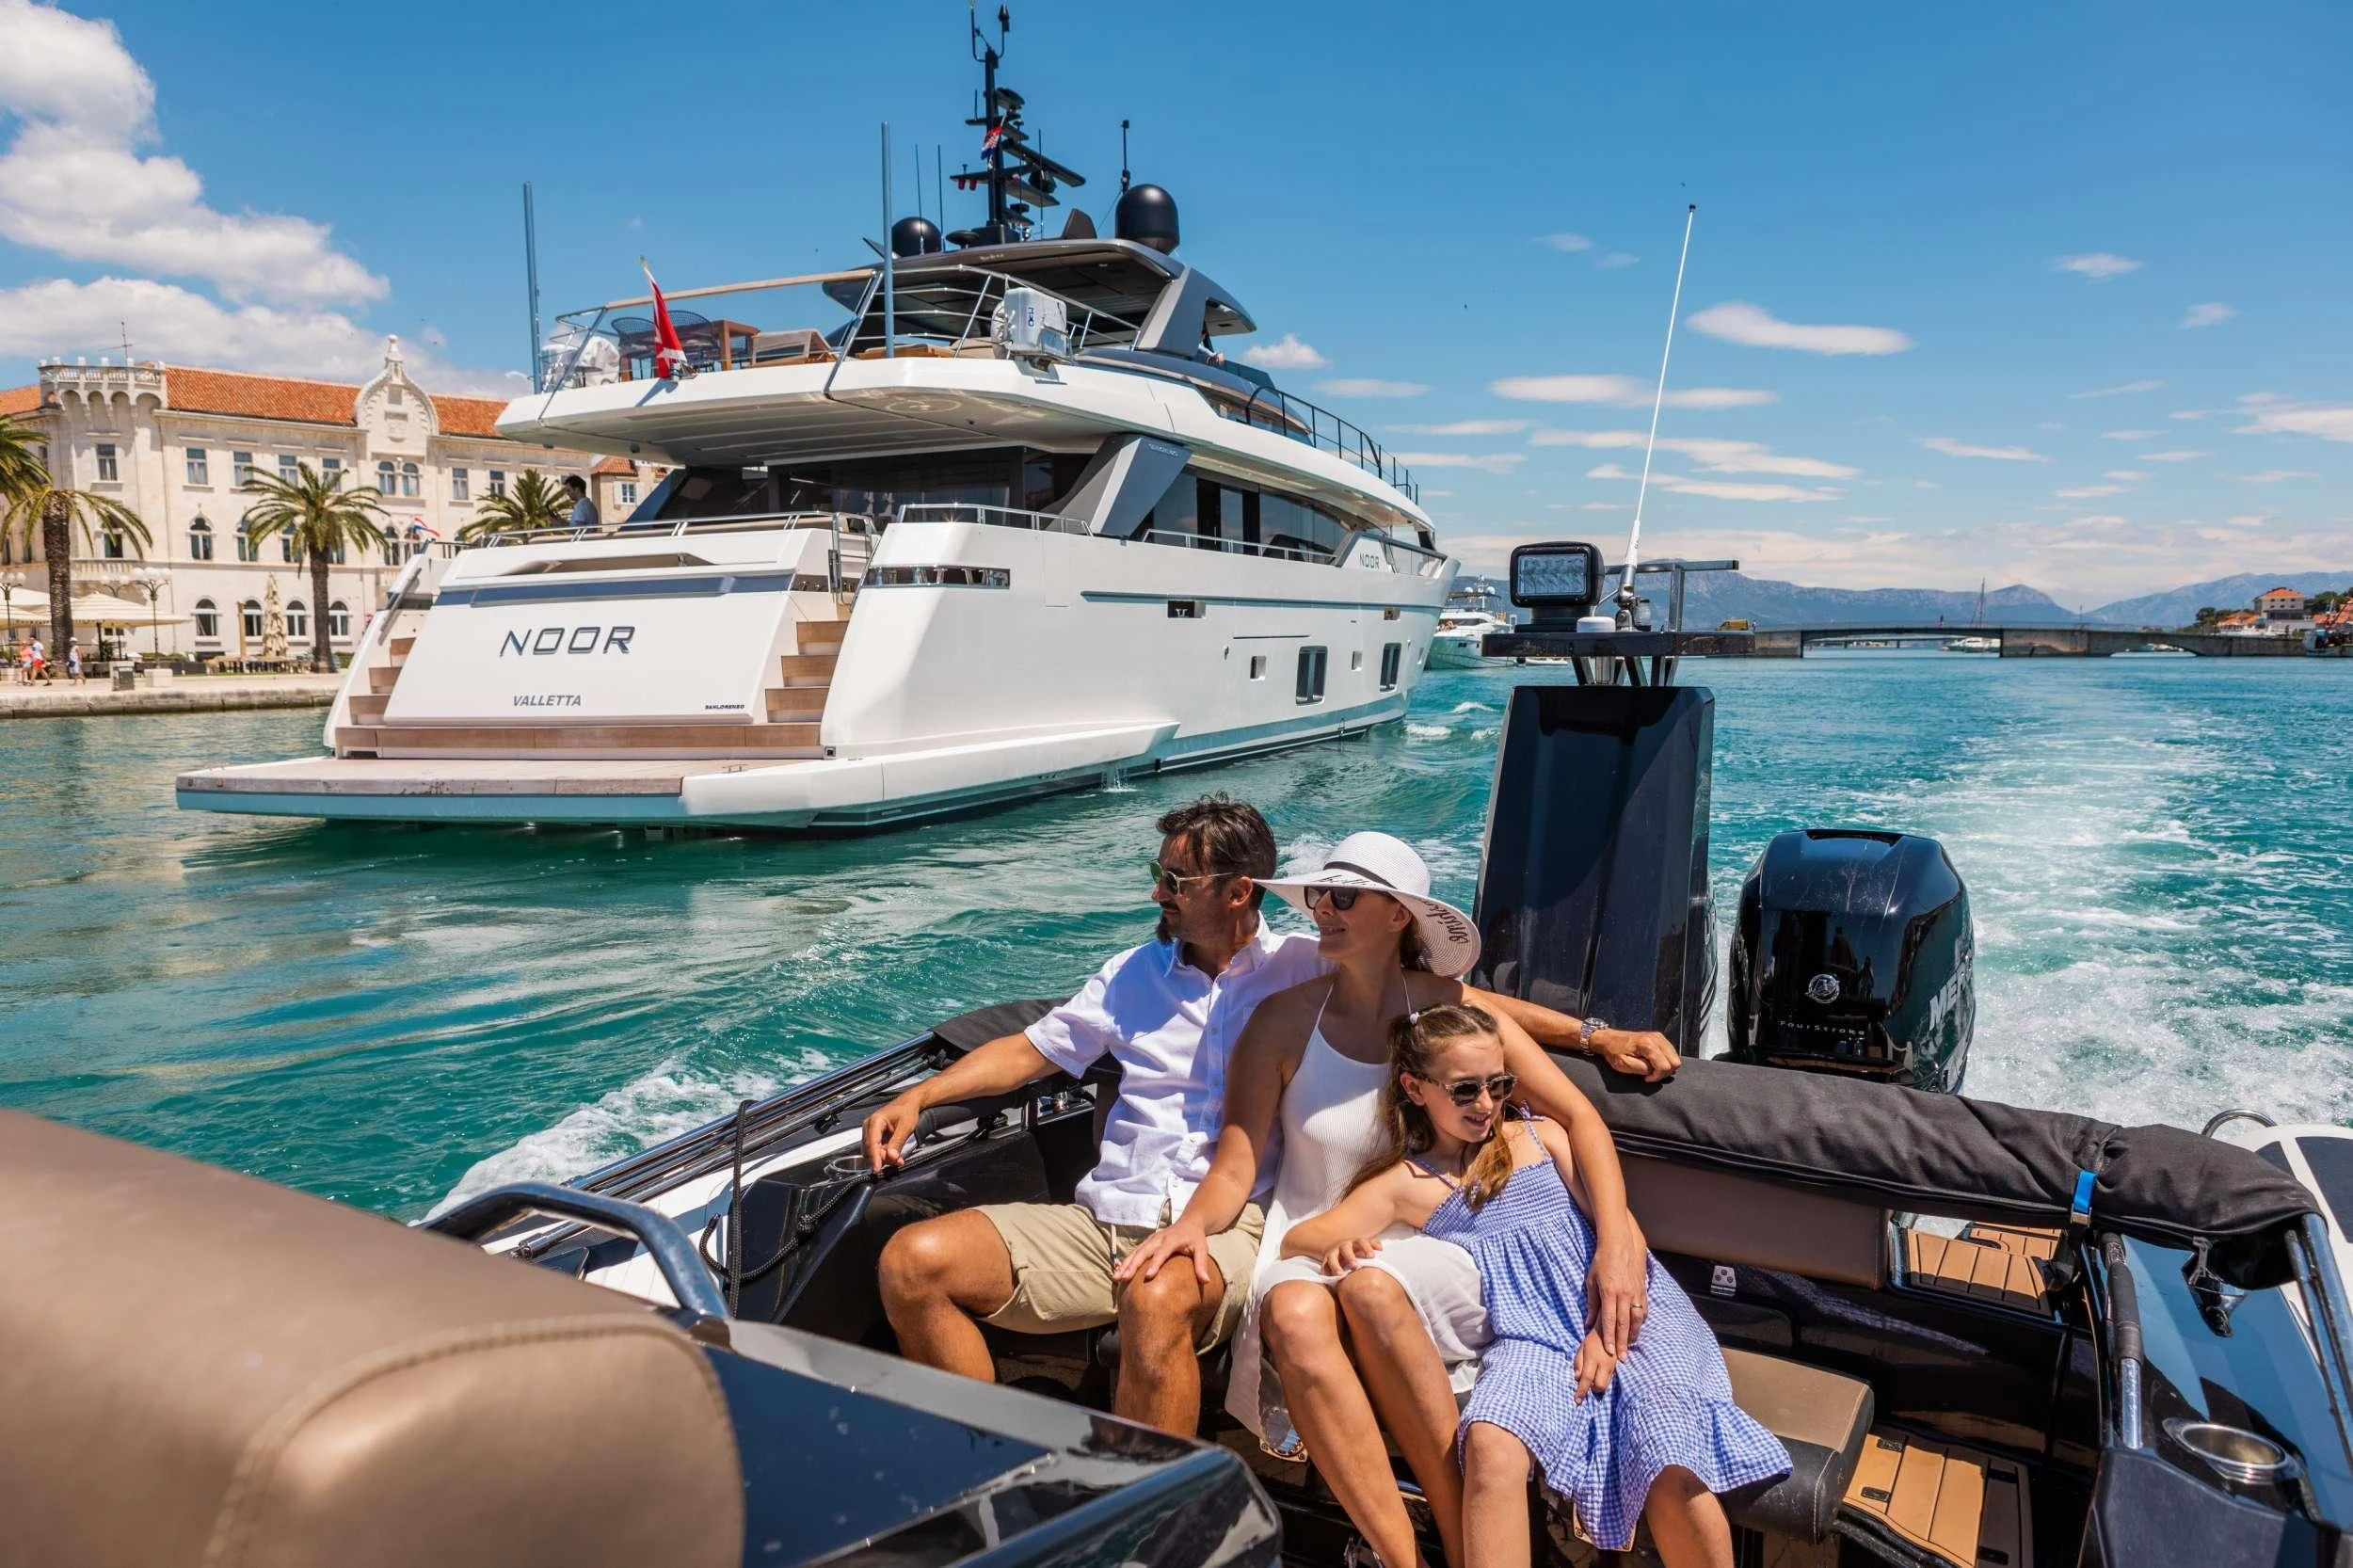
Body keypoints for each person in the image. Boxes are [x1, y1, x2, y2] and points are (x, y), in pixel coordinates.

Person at [1113, 832, 1678, 1568]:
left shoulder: (1450, 1017)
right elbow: (1236, 1164)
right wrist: (1188, 1228)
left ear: (1398, 916)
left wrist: (1598, 1043)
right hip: (1312, 1238)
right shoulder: (1282, 1021)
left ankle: (1461, 1539)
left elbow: (1575, 1116)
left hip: (1439, 1247)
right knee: (1291, 1306)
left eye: (1343, 897)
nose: (1323, 911)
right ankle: (1403, 1556)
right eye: (1319, 895)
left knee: (1373, 1292)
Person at [865, 794, 1327, 1436]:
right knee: (912, 1263)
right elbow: (1029, 1053)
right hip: (1108, 1221)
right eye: (1156, 875)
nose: (1157, 895)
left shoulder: (1307, 970)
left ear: (1240, 891)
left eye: (1175, 881)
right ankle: (993, 1470)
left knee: (1157, 1296)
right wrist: (919, 1098)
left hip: (1232, 1225)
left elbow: (1421, 997)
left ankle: (1146, 1524)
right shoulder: (1131, 975)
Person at [1285, 1004, 1787, 1568]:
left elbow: (1621, 1235)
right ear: (1415, 1088)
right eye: (1465, 1089)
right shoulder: (1408, 1185)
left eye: (1499, 1085)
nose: (1486, 1104)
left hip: (1631, 1314)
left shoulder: (1539, 1136)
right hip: (1532, 1339)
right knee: (1491, 1443)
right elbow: (1299, 1237)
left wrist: (1605, 1334)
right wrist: (1338, 1246)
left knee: (1668, 1456)